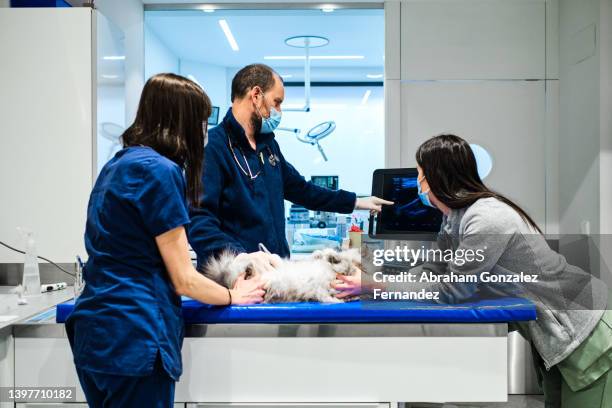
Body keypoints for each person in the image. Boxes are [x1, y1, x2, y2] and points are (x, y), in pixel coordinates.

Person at [334, 134, 612, 407]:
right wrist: (375, 281)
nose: (418, 183)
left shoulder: (486, 219)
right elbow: (434, 269)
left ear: (436, 178)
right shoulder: (453, 220)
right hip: (554, 334)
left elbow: (451, 290)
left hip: (585, 325)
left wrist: (372, 286)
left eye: (420, 175)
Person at [65, 73, 265, 408]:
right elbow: (184, 279)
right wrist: (232, 295)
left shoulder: (116, 165)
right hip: (134, 336)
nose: (203, 132)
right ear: (182, 121)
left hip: (94, 335)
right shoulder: (161, 171)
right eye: (201, 122)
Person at [188, 63, 392, 270]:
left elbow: (303, 191)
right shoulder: (212, 148)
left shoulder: (268, 147)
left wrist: (356, 201)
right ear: (256, 95)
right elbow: (199, 223)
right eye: (277, 103)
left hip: (274, 274)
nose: (279, 111)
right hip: (235, 279)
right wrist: (242, 258)